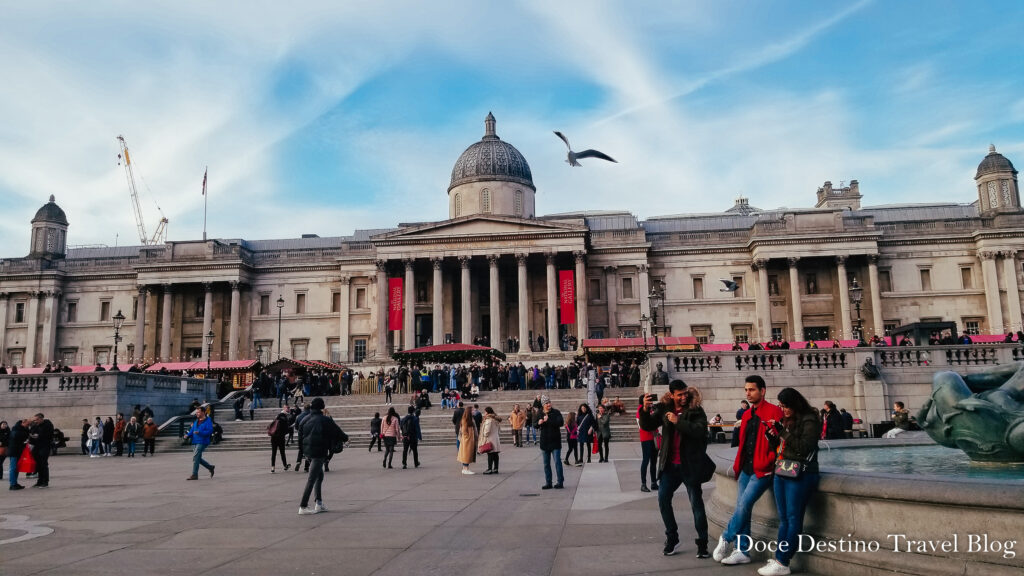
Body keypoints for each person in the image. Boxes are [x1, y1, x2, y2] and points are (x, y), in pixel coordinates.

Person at [713, 375, 783, 565]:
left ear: (763, 391)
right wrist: (738, 465)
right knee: (743, 508)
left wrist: (769, 461)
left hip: (763, 470)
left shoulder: (774, 411)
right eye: (746, 390)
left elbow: (779, 442)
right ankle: (742, 551)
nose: (748, 393)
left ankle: (727, 537)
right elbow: (743, 443)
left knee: (743, 505)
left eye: (751, 389)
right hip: (745, 468)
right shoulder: (745, 415)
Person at [638, 380, 712, 558]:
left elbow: (700, 431)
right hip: (670, 465)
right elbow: (648, 425)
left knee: (696, 505)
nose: (684, 397)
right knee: (663, 500)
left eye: (685, 393)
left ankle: (702, 544)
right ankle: (672, 537)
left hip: (690, 464)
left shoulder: (696, 410)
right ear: (672, 395)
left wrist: (678, 421)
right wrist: (645, 410)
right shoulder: (664, 408)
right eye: (680, 394)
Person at [758, 387, 821, 576]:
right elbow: (783, 447)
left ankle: (783, 561)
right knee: (784, 518)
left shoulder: (810, 419)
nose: (783, 410)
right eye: (781, 406)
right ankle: (779, 557)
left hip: (800, 474)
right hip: (783, 471)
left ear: (795, 404)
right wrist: (772, 438)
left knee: (794, 518)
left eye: (786, 406)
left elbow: (803, 447)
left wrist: (782, 432)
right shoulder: (788, 420)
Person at [298, 397, 345, 515]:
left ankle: (318, 503)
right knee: (312, 478)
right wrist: (346, 438)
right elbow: (337, 431)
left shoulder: (304, 419)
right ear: (322, 407)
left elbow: (299, 435)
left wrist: (303, 450)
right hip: (319, 452)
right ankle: (303, 506)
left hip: (308, 451)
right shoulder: (324, 420)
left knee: (319, 476)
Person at [536, 395, 565, 489]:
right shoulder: (539, 413)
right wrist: (538, 423)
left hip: (555, 441)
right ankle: (548, 482)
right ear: (543, 405)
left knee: (557, 462)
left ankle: (560, 482)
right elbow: (534, 424)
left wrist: (549, 420)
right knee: (546, 464)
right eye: (546, 403)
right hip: (544, 442)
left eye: (549, 402)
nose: (549, 404)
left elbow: (560, 423)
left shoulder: (556, 412)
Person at [183, 408, 216, 480]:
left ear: (203, 412)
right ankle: (210, 467)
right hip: (195, 441)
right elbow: (192, 430)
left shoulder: (208, 421)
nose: (197, 414)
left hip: (202, 441)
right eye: (196, 412)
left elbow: (209, 431)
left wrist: (200, 433)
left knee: (195, 457)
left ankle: (194, 475)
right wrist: (188, 435)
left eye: (198, 412)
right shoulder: (196, 421)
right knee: (197, 458)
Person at [637, 396, 658, 492]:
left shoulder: (651, 408)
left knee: (654, 461)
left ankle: (654, 482)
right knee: (646, 460)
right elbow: (641, 424)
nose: (650, 401)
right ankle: (643, 484)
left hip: (654, 436)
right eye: (648, 400)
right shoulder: (640, 410)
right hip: (646, 437)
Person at [28, 413, 54, 488]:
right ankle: (39, 481)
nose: (35, 421)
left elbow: (47, 435)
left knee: (43, 464)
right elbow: (31, 432)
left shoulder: (48, 425)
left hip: (45, 446)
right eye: (35, 420)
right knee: (37, 464)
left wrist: (38, 435)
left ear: (41, 418)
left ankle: (45, 482)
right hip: (37, 446)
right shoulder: (35, 425)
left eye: (37, 420)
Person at [8, 418, 31, 490]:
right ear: (23, 423)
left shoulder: (25, 429)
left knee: (17, 468)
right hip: (14, 451)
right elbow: (16, 436)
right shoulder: (16, 428)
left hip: (19, 451)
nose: (28, 426)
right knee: (13, 468)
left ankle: (15, 483)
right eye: (27, 424)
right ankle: (12, 484)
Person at [478, 406, 502, 474]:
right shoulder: (495, 419)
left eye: (485, 412)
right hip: (495, 438)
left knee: (490, 454)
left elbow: (486, 431)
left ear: (487, 412)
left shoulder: (489, 420)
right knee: (495, 454)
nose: (484, 413)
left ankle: (489, 469)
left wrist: (484, 436)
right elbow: (499, 430)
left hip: (490, 439)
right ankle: (496, 468)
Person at [457, 404, 477, 475]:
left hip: (469, 439)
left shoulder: (470, 418)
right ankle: (465, 468)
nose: (474, 411)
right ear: (469, 411)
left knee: (467, 454)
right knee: (466, 454)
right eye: (472, 410)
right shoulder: (465, 419)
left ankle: (465, 468)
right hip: (467, 440)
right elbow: (464, 431)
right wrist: (467, 438)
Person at [270, 406, 291, 473]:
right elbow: (286, 431)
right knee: (282, 452)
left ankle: (273, 467)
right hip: (281, 438)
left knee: (274, 453)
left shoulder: (276, 419)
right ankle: (285, 466)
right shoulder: (284, 420)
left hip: (273, 438)